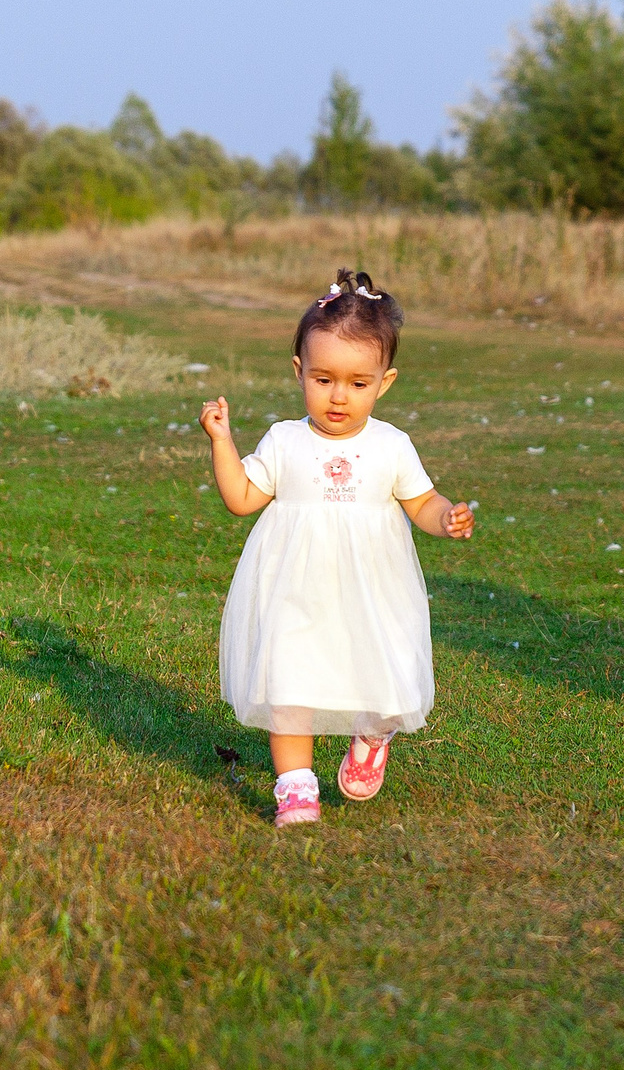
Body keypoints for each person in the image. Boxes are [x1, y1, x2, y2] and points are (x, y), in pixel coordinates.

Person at [200, 269, 475, 827]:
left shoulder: (391, 445)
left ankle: (373, 733)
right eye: (323, 379)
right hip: (295, 590)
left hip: (372, 590)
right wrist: (222, 442)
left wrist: (446, 518)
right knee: (288, 678)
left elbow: (421, 501)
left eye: (357, 383)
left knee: (380, 669)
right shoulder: (284, 440)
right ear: (299, 371)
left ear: (384, 383)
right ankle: (296, 789)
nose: (339, 396)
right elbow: (241, 498)